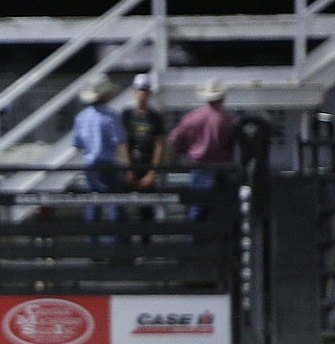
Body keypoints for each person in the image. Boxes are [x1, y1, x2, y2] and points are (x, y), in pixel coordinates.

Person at [167, 78, 235, 221]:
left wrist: (184, 150)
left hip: (199, 166)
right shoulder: (228, 120)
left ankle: (195, 239)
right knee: (222, 207)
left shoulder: (193, 117)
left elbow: (175, 139)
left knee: (198, 206)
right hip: (222, 166)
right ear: (221, 98)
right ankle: (221, 240)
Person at [71, 73, 128, 229]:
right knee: (115, 204)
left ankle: (93, 245)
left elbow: (78, 143)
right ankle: (116, 247)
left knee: (93, 204)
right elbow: (120, 141)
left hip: (90, 164)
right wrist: (127, 166)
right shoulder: (111, 116)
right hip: (108, 163)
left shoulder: (81, 117)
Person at [121, 73, 167, 237]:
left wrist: (152, 172)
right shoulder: (127, 115)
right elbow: (123, 142)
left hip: (147, 166)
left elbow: (159, 144)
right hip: (131, 166)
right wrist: (128, 168)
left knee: (147, 210)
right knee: (123, 209)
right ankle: (125, 249)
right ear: (135, 91)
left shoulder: (155, 117)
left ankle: (146, 248)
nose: (142, 94)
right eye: (140, 90)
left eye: (145, 90)